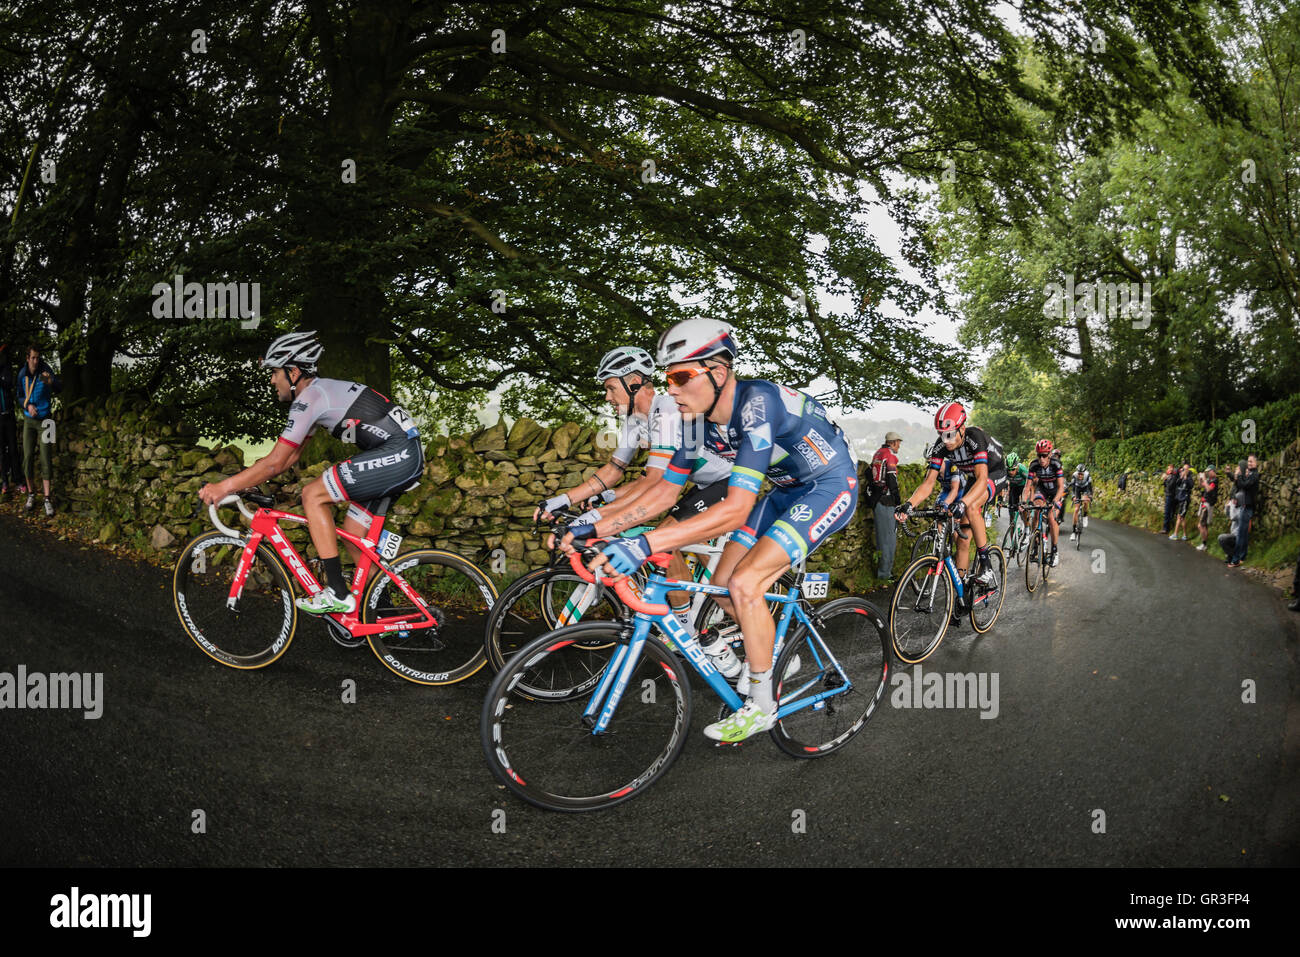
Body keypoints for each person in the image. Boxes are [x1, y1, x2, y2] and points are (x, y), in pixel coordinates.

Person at [582, 319, 859, 743]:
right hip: (786, 490)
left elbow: (736, 508)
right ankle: (772, 651)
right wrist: (592, 526)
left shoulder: (757, 402)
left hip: (830, 484)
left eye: (679, 377)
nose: (670, 389)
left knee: (747, 582)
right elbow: (661, 495)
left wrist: (645, 544)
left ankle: (762, 707)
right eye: (667, 378)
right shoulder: (694, 420)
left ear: (718, 372)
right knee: (723, 584)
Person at [199, 331, 424, 614]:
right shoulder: (320, 394)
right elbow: (287, 458)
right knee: (354, 535)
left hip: (397, 454)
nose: (272, 380)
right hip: (401, 454)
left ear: (293, 373)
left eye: (275, 373)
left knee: (313, 494)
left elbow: (274, 464)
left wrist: (224, 487)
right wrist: (245, 482)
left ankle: (337, 593)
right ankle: (388, 619)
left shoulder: (310, 399)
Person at [561, 346, 732, 630]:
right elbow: (615, 470)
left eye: (611, 388)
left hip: (726, 482)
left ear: (634, 383)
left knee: (665, 536)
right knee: (688, 544)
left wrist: (600, 517)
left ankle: (686, 623)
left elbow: (655, 481)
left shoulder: (665, 410)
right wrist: (565, 499)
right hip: (703, 485)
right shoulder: (636, 420)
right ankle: (706, 600)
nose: (607, 397)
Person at [896, 402, 1006, 626]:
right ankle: (962, 592)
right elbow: (928, 484)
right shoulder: (941, 445)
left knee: (972, 507)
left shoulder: (976, 438)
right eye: (941, 435)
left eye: (949, 434)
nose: (946, 440)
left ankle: (986, 565)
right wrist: (909, 505)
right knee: (960, 538)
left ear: (962, 428)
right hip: (973, 478)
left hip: (993, 473)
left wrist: (963, 502)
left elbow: (982, 480)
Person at [16, 343, 61, 515]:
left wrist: (50, 381)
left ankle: (47, 499)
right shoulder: (22, 374)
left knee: (46, 458)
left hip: (46, 421)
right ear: (27, 358)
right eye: (33, 358)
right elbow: (19, 395)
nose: (36, 361)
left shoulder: (44, 370)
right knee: (27, 458)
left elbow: (58, 387)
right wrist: (27, 407)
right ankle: (31, 494)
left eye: (37, 357)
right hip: (29, 421)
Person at [1025, 439, 1065, 566]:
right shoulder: (1034, 465)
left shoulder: (1056, 464)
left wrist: (1054, 502)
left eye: (1044, 455)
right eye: (1039, 455)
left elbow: (1061, 487)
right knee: (1036, 509)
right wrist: (1023, 501)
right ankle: (1035, 543)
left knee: (1052, 518)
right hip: (1042, 489)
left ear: (1049, 455)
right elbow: (1027, 487)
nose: (1041, 459)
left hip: (1055, 492)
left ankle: (1054, 550)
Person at [868, 431, 903, 579]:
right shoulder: (890, 456)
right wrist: (898, 500)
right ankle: (885, 574)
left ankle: (884, 572)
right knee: (889, 540)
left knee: (882, 539)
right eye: (898, 443)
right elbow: (891, 479)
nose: (899, 446)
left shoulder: (877, 453)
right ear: (893, 442)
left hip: (876, 499)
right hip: (886, 501)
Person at [1227, 455, 1259, 568]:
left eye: (1251, 462)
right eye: (1248, 462)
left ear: (1256, 463)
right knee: (1244, 534)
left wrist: (1239, 476)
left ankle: (1235, 560)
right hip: (1244, 506)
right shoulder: (1249, 474)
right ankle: (1242, 557)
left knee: (1241, 534)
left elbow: (1244, 485)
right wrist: (1236, 476)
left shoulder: (1254, 475)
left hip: (1247, 507)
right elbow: (1240, 484)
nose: (1249, 464)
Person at [0, 341, 20, 496]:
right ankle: (5, 481)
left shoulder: (6, 369)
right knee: (2, 451)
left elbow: (8, 384)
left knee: (13, 449)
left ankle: (18, 480)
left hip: (9, 414)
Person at [1194, 466, 1217, 551]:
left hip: (1207, 505)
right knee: (1205, 526)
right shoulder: (1209, 480)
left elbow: (1208, 489)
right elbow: (1201, 486)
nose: (1207, 473)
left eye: (1208, 471)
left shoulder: (1215, 480)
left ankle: (1204, 544)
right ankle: (1204, 544)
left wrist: (1204, 478)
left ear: (1213, 471)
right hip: (1204, 503)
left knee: (1200, 525)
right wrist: (1201, 479)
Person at [1170, 463, 1194, 541]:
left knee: (1179, 516)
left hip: (1185, 500)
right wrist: (1181, 477)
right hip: (1180, 499)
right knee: (1182, 518)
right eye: (1183, 469)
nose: (1183, 470)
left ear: (1188, 470)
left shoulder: (1190, 478)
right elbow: (1177, 484)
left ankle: (1175, 534)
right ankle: (1184, 535)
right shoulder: (1182, 477)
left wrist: (1186, 478)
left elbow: (1191, 486)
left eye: (1185, 469)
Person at [1068, 464, 1093, 541]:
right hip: (1077, 489)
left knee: (1085, 502)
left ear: (1084, 473)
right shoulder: (1074, 475)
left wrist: (1090, 496)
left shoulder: (1088, 475)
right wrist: (1073, 497)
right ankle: (1073, 532)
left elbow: (1090, 488)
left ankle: (1085, 516)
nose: (1080, 476)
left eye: (1081, 474)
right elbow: (1072, 488)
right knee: (1076, 509)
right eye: (1079, 474)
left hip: (1086, 488)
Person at [1161, 464, 1177, 534]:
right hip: (1168, 494)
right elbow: (1165, 485)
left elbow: (1170, 486)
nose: (1169, 470)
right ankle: (1168, 527)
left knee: (1168, 512)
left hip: (1171, 495)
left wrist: (1166, 478)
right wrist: (1164, 479)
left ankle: (1165, 528)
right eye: (1168, 468)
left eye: (1170, 468)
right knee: (1169, 512)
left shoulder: (1173, 476)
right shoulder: (1169, 476)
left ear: (1172, 469)